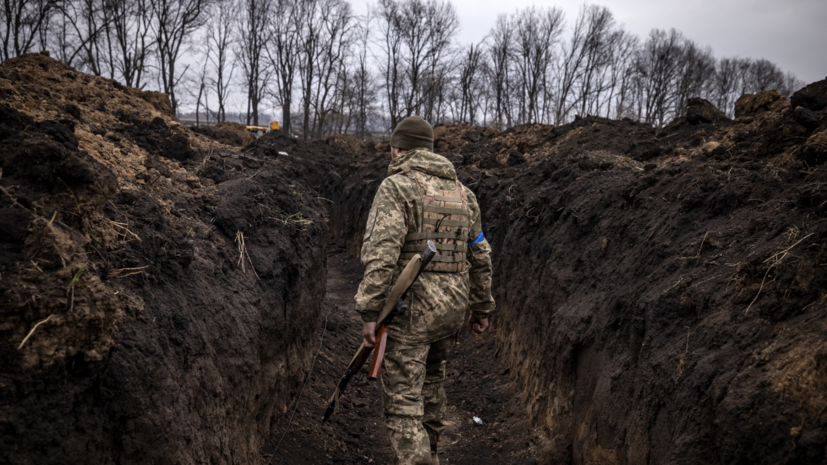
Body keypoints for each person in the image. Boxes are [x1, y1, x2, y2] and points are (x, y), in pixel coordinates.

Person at [354, 116, 495, 465]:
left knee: (403, 404)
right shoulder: (464, 193)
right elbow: (479, 253)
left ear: (398, 148)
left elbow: (381, 255)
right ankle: (431, 455)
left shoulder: (397, 187)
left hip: (411, 312)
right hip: (451, 312)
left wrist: (370, 311)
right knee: (432, 384)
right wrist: (481, 307)